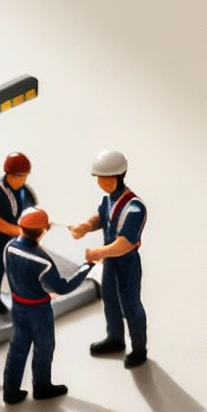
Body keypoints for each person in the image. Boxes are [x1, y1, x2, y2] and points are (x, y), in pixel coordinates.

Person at [2, 207, 89, 405]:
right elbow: (61, 287)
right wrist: (86, 267)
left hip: (18, 305)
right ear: (42, 232)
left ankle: (11, 390)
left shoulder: (9, 248)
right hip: (38, 310)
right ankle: (41, 387)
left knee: (17, 348)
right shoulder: (44, 261)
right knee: (44, 348)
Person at [70, 149, 148, 368]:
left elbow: (126, 243)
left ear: (116, 177)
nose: (101, 183)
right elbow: (101, 218)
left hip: (127, 263)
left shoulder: (134, 208)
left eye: (104, 179)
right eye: (99, 179)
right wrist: (85, 226)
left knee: (131, 306)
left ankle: (139, 348)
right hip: (111, 263)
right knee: (110, 301)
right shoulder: (108, 201)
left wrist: (98, 253)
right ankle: (115, 338)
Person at [0, 152, 36, 314]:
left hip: (18, 239)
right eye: (22, 176)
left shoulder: (25, 191)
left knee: (21, 268)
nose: (25, 179)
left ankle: (21, 297)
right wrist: (21, 231)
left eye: (26, 176)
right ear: (11, 175)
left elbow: (33, 211)